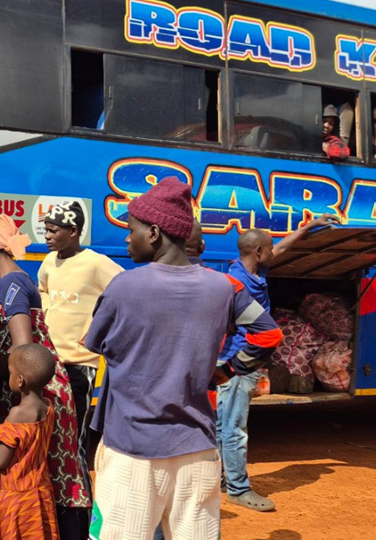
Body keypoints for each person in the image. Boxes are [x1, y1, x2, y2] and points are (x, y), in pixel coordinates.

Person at [84, 177, 283, 540]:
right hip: (199, 451)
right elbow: (268, 335)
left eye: (131, 230)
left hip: (132, 451)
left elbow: (93, 342)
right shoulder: (224, 287)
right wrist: (226, 372)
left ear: (154, 233)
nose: (127, 239)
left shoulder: (124, 286)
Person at [0, 214, 91, 539]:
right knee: (50, 474)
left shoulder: (10, 284)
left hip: (36, 390)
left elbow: (22, 346)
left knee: (48, 474)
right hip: (44, 385)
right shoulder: (20, 279)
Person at [218, 213, 338, 513]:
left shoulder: (254, 270)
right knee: (233, 427)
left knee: (223, 425)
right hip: (239, 362)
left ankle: (221, 479)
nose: (274, 253)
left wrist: (309, 226)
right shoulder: (237, 281)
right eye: (269, 249)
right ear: (258, 252)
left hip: (241, 359)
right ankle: (238, 489)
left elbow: (283, 247)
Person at [37, 200, 122, 496]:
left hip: (79, 366)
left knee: (74, 439)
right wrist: (47, 312)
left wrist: (98, 326)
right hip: (49, 364)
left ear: (73, 231)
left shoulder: (96, 263)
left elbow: (123, 293)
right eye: (46, 230)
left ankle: (80, 503)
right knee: (52, 436)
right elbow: (42, 290)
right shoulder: (49, 262)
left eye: (53, 230)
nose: (47, 236)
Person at [0, 343, 59, 540]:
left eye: (10, 372)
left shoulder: (17, 414)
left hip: (17, 498)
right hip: (41, 492)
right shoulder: (48, 407)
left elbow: (1, 460)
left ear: (20, 380)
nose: (9, 376)